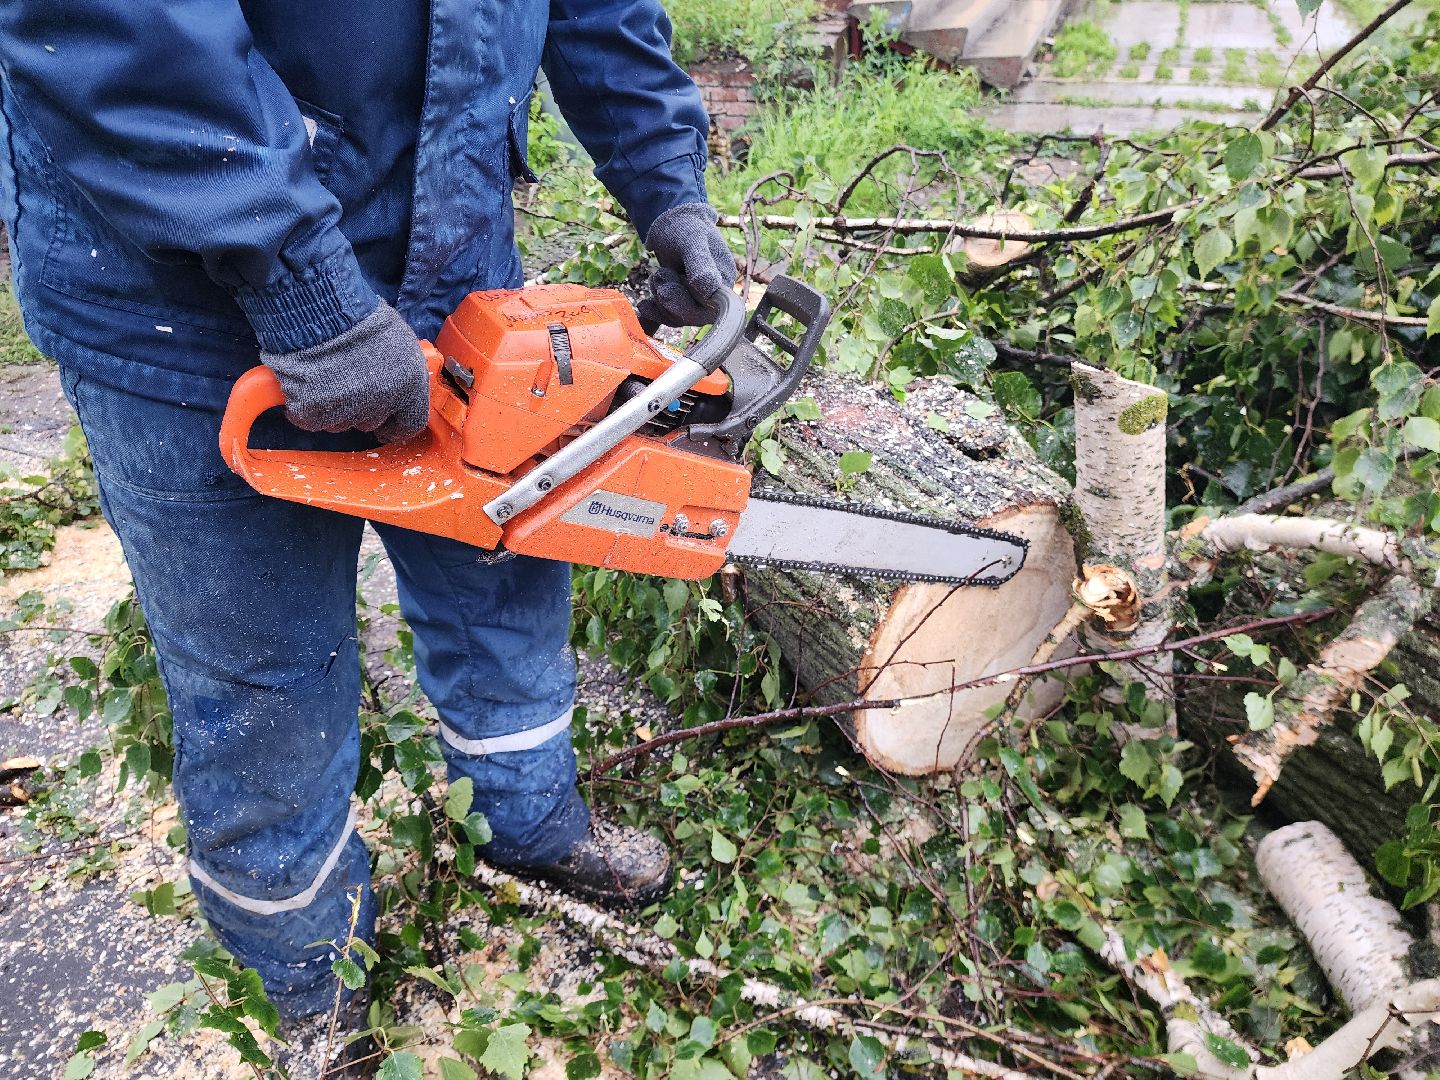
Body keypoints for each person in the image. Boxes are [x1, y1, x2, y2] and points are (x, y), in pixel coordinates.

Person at [0, 0, 736, 1069]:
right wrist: (298, 285)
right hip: (172, 270)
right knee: (262, 669)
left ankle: (526, 821)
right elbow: (115, 20)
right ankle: (303, 969)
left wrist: (667, 180)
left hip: (446, 236)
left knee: (506, 563)